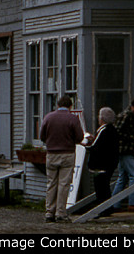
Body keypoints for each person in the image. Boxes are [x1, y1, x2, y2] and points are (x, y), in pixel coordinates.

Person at [38, 95, 83, 223]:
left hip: (51, 153)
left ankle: (49, 212)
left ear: (58, 105)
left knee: (51, 182)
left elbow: (42, 136)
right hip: (67, 153)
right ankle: (60, 212)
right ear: (70, 106)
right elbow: (79, 137)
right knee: (64, 184)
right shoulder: (73, 119)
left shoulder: (48, 117)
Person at [113, 96, 134, 210]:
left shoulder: (132, 116)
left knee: (123, 177)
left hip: (127, 149)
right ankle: (133, 203)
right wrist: (133, 138)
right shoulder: (126, 116)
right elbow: (116, 133)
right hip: (125, 150)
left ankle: (114, 204)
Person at [85, 107, 119, 214]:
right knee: (105, 186)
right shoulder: (112, 130)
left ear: (102, 118)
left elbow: (95, 147)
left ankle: (103, 209)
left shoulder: (103, 130)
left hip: (101, 165)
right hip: (110, 163)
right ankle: (107, 208)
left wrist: (84, 144)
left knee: (100, 187)